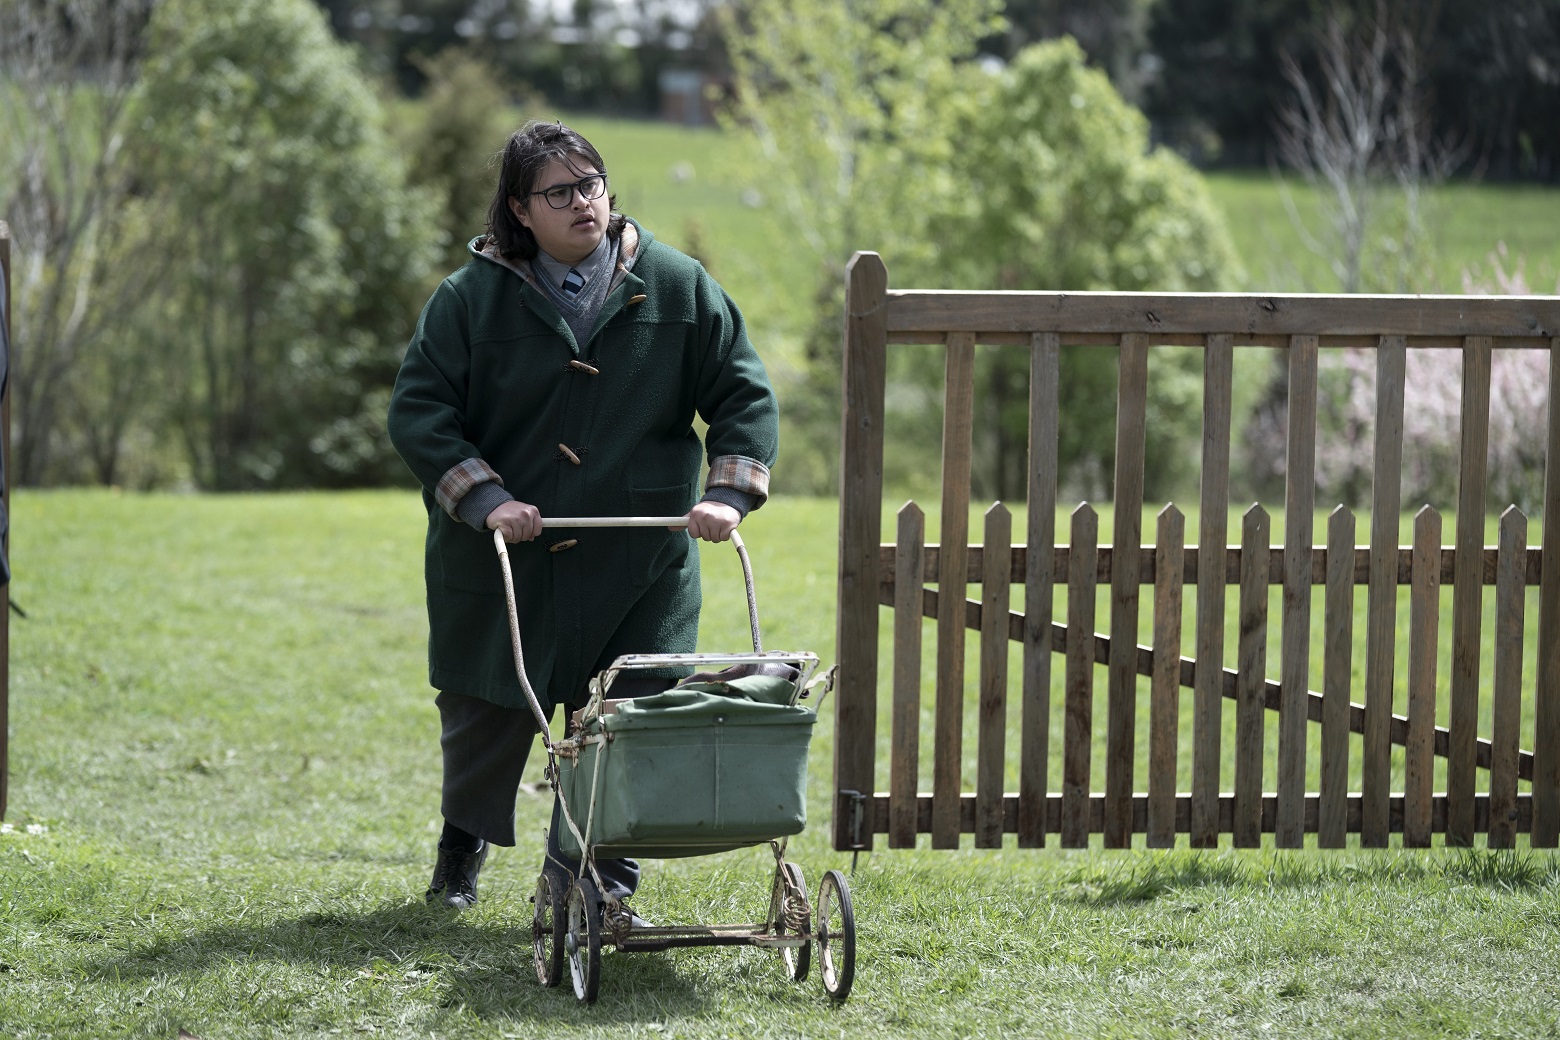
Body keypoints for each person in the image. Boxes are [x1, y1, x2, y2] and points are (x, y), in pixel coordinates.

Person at [387, 120, 779, 914]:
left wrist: (725, 494)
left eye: (591, 184)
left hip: (641, 564)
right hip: (502, 558)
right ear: (519, 210)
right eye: (557, 193)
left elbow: (742, 393)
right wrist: (487, 500)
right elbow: (421, 411)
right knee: (486, 714)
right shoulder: (468, 299)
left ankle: (599, 881)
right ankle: (458, 855)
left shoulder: (679, 285)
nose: (581, 203)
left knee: (631, 721)